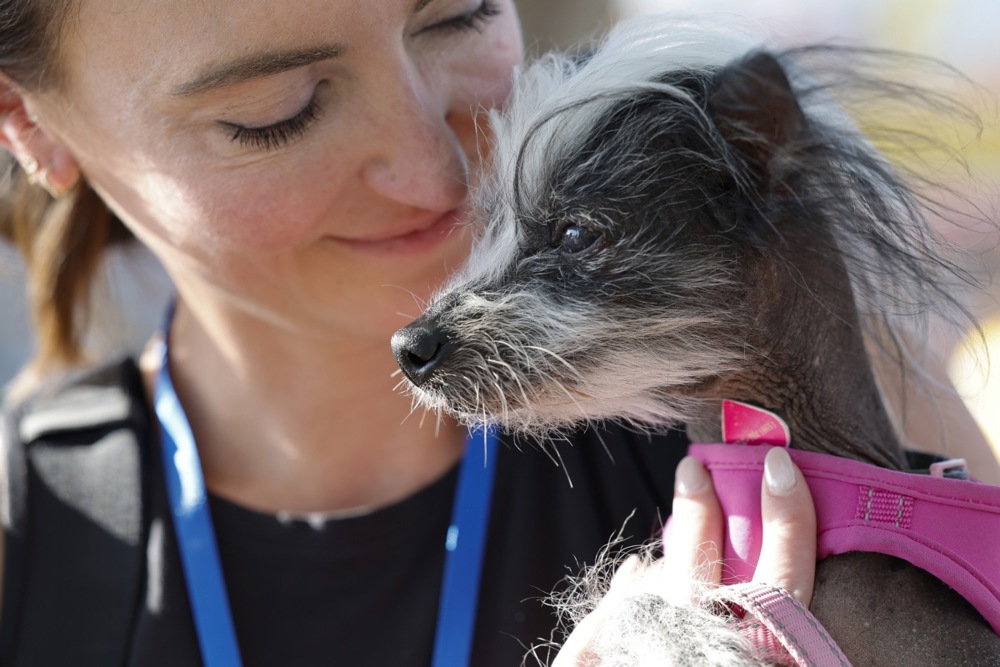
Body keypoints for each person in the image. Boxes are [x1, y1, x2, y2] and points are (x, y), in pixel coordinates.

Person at [0, 1, 994, 665]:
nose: (439, 169)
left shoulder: (835, 414)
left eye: (460, 13)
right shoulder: (29, 537)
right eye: (278, 113)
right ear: (29, 124)